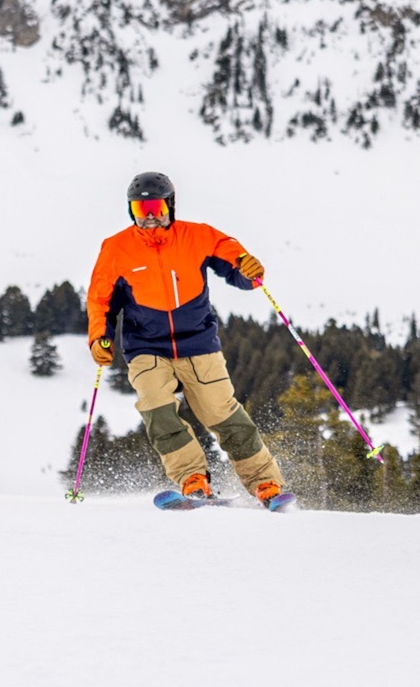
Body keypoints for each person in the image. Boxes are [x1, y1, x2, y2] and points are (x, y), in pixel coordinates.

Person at [85, 171, 287, 506]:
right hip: (146, 347)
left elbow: (235, 264)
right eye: (140, 209)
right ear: (131, 211)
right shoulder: (116, 248)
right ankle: (192, 479)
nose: (150, 216)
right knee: (156, 409)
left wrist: (249, 270)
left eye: (156, 206)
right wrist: (98, 339)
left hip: (198, 343)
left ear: (170, 206)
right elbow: (101, 301)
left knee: (222, 414)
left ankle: (267, 485)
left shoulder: (199, 237)